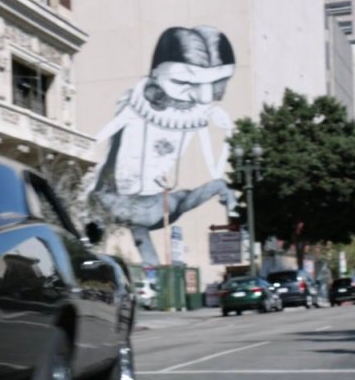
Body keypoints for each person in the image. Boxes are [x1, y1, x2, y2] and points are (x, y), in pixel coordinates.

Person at [82, 25, 240, 268]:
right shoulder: (133, 109)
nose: (204, 97)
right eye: (185, 81)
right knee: (138, 223)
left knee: (157, 216)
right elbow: (106, 151)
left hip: (154, 203)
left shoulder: (201, 116)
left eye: (216, 85)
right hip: (129, 203)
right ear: (156, 76)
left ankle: (148, 269)